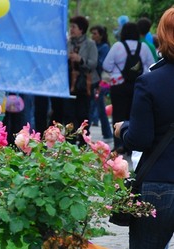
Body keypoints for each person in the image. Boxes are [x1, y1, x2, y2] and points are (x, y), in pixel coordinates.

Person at [107, 7, 174, 249]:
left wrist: (123, 130)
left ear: (162, 36)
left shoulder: (151, 82)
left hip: (159, 186)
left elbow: (142, 138)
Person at [102, 21, 155, 153]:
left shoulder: (117, 46)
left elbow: (106, 66)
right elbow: (151, 66)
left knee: (118, 114)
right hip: (138, 85)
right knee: (134, 114)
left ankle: (119, 144)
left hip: (118, 86)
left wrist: (117, 71)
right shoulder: (143, 47)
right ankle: (130, 145)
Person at [65, 15, 99, 138]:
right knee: (69, 113)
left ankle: (84, 139)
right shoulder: (68, 43)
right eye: (70, 27)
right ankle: (71, 140)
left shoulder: (90, 44)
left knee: (83, 113)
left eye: (74, 27)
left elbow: (93, 63)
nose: (71, 29)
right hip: (70, 82)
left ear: (81, 29)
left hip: (85, 84)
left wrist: (80, 59)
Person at [89, 24, 113, 140]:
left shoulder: (104, 48)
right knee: (97, 106)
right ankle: (106, 132)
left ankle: (107, 132)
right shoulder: (95, 46)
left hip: (100, 81)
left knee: (98, 107)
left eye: (95, 34)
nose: (93, 36)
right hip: (94, 80)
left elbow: (103, 64)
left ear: (101, 35)